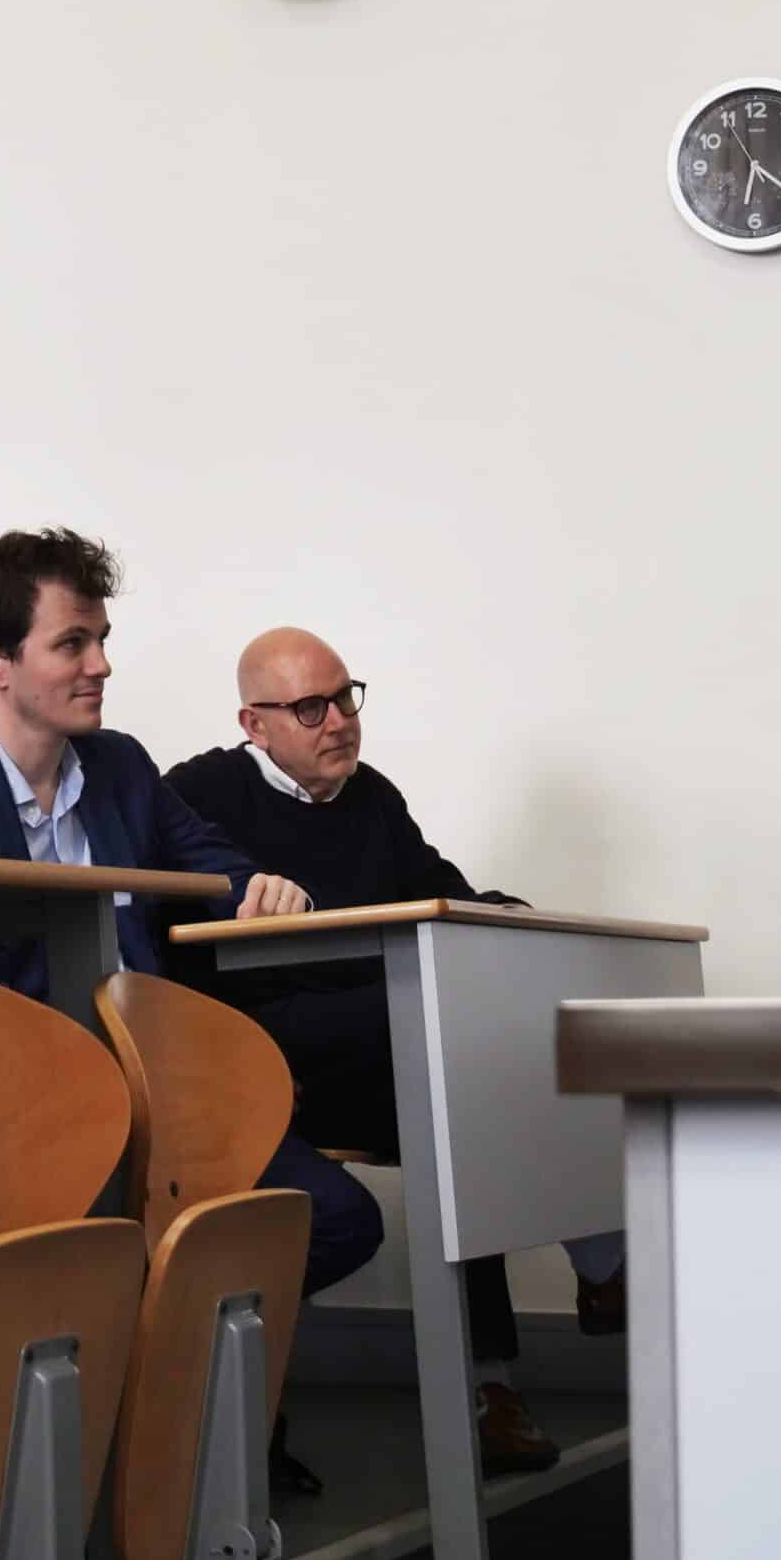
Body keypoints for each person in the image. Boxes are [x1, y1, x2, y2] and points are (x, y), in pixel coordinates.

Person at [0, 529, 361, 1491]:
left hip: (156, 1092)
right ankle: (156, 1424)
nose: (101, 664)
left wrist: (255, 880)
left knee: (334, 1217)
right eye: (73, 644)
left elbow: (203, 854)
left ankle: (165, 1389)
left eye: (101, 639)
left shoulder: (123, 765)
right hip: (24, 1113)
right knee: (113, 1247)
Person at [165, 627, 626, 1475]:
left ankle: (494, 1380)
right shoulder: (199, 794)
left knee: (472, 1070)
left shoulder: (370, 794)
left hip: (387, 1034)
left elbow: (436, 885)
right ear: (254, 723)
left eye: (347, 697)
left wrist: (502, 911)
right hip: (271, 1048)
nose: (339, 720)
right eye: (311, 707)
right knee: (451, 1048)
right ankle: (594, 1271)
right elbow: (182, 943)